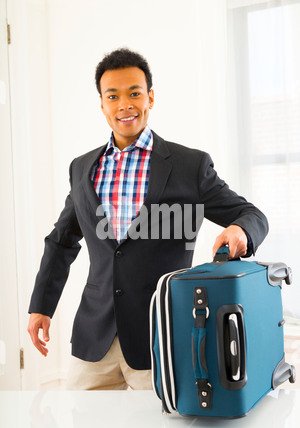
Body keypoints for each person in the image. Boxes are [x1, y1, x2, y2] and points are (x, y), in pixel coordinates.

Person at [27, 48, 268, 390]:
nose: (124, 104)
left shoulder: (190, 166)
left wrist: (241, 228)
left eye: (134, 93)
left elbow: (251, 214)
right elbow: (62, 240)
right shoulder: (82, 168)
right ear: (102, 104)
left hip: (162, 336)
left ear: (150, 97)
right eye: (113, 96)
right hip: (94, 337)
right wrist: (41, 307)